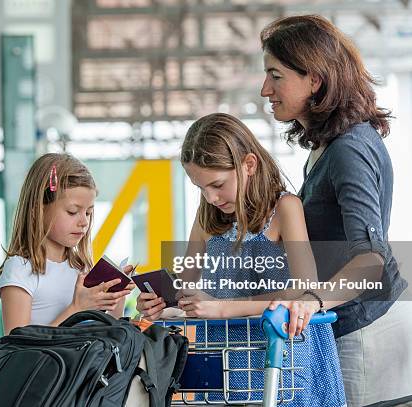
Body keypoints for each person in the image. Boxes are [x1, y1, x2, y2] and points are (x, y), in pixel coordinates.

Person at [137, 112, 346, 406]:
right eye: (201, 188)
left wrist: (222, 308)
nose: (210, 198)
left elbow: (304, 290)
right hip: (226, 358)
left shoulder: (285, 208)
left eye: (218, 184)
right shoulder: (207, 219)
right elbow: (185, 291)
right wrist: (162, 303)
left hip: (288, 357)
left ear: (249, 165)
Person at [259, 15, 412, 406]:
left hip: (367, 329)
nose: (265, 89)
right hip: (349, 324)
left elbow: (370, 260)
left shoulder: (349, 149)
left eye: (276, 76)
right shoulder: (327, 147)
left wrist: (311, 300)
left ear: (315, 80)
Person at [0, 153, 132, 335]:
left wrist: (117, 296)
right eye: (72, 211)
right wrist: (76, 309)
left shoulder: (82, 269)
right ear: (38, 209)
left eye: (89, 213)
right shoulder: (20, 269)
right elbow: (18, 349)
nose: (84, 222)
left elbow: (106, 333)